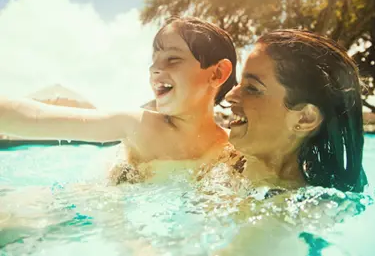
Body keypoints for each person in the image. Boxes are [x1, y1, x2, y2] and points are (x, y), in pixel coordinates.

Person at [0, 17, 238, 183]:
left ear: (217, 74)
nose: (154, 68)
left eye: (173, 59)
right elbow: (35, 117)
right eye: (154, 60)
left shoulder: (233, 149)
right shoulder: (136, 126)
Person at [224, 29, 367, 193]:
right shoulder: (221, 162)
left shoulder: (307, 213)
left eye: (251, 88)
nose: (229, 96)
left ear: (304, 118)